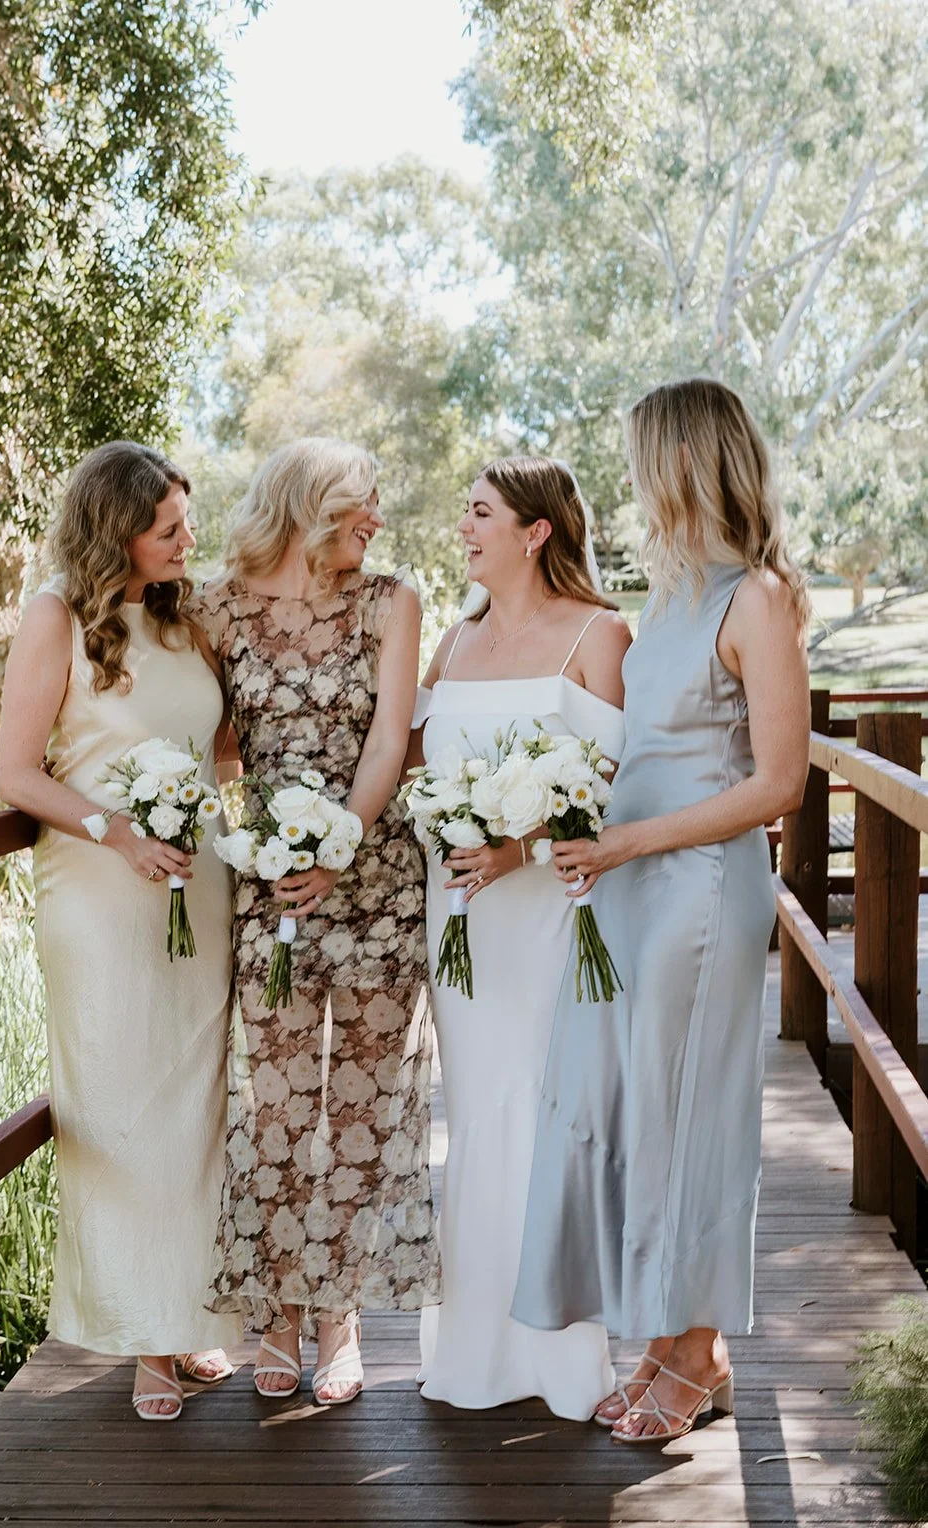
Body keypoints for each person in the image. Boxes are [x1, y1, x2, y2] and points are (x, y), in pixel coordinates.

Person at [512, 378, 810, 1444]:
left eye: (643, 457)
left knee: (690, 1118)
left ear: (683, 462)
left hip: (698, 895)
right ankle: (672, 1339)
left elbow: (777, 782)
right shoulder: (667, 594)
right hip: (629, 890)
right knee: (641, 1115)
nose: (632, 478)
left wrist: (632, 839)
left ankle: (692, 1352)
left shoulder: (756, 598)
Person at [190, 437, 440, 1406]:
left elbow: (389, 735)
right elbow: (220, 752)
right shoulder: (215, 606)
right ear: (309, 507)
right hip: (270, 889)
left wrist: (341, 838)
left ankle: (336, 1312)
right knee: (282, 1107)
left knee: (362, 1110)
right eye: (360, 504)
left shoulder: (390, 601)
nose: (375, 520)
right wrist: (260, 842)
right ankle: (278, 1311)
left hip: (374, 880)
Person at [0, 440, 239, 1422]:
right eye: (167, 527)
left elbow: (220, 746)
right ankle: (143, 1339)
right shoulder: (55, 614)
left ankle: (189, 1315)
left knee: (195, 1104)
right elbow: (17, 771)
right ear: (117, 531)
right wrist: (119, 828)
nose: (189, 539)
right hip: (100, 890)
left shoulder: (194, 617)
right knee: (124, 1105)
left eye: (188, 521)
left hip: (201, 879)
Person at [411, 455, 631, 1416]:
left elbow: (621, 785)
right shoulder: (451, 645)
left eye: (479, 513)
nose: (463, 528)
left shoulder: (599, 633)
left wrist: (522, 844)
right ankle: (473, 1352)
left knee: (546, 1114)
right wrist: (452, 831)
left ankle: (560, 1355)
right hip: (457, 912)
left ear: (534, 531)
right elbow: (417, 767)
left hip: (550, 913)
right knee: (474, 1115)